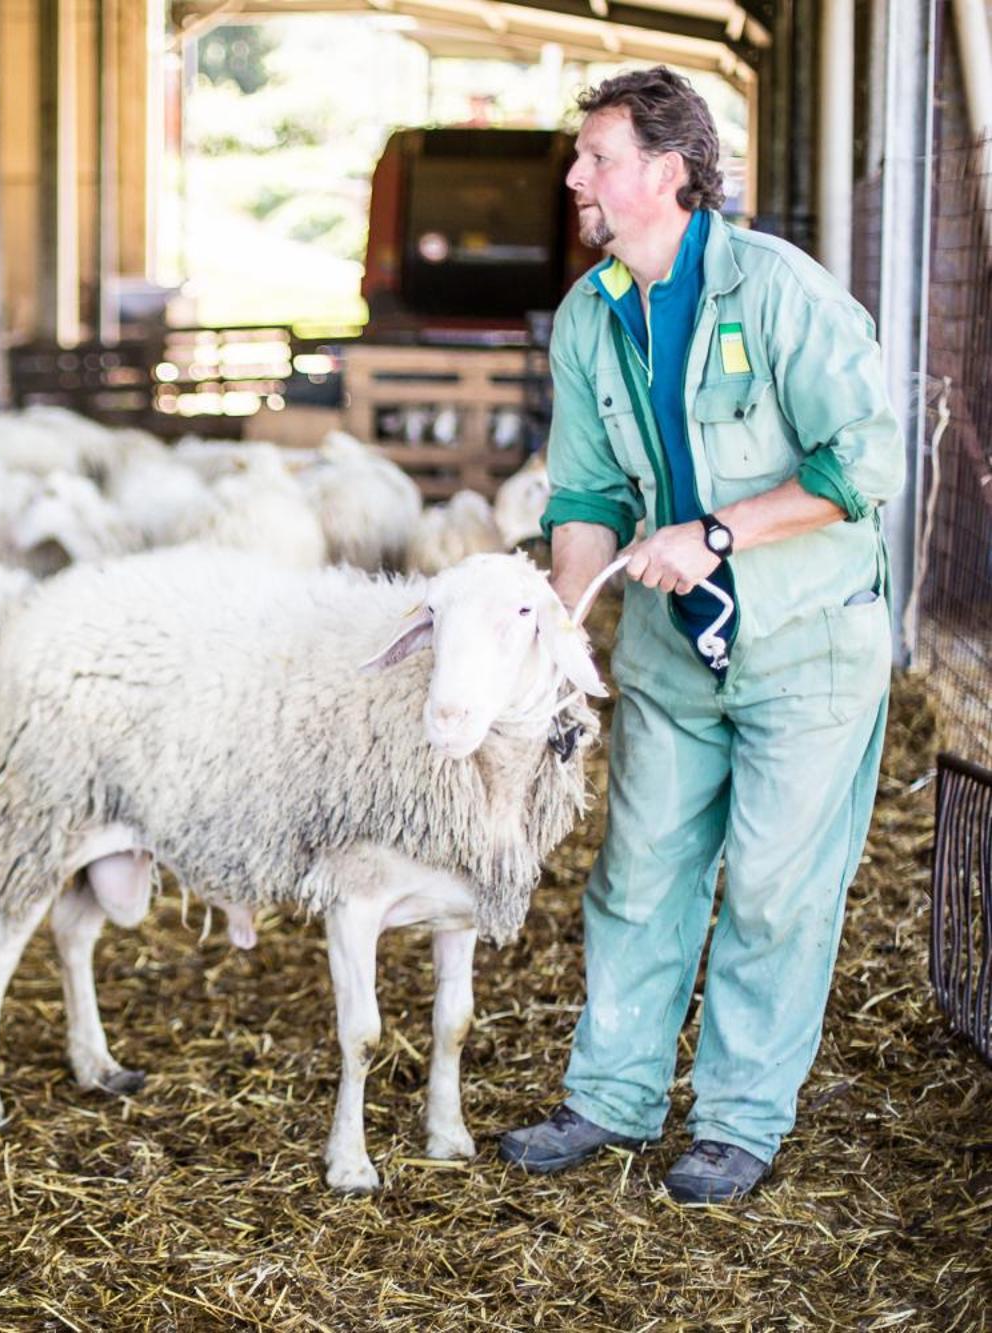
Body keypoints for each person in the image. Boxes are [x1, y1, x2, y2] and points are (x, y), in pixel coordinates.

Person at [497, 67, 904, 1204]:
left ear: (667, 173)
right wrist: (563, 623)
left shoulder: (776, 290)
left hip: (804, 638)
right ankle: (611, 1096)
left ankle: (735, 1119)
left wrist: (718, 532)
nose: (575, 177)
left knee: (774, 887)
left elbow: (866, 463)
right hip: (670, 646)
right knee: (636, 873)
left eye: (597, 157)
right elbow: (581, 492)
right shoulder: (590, 314)